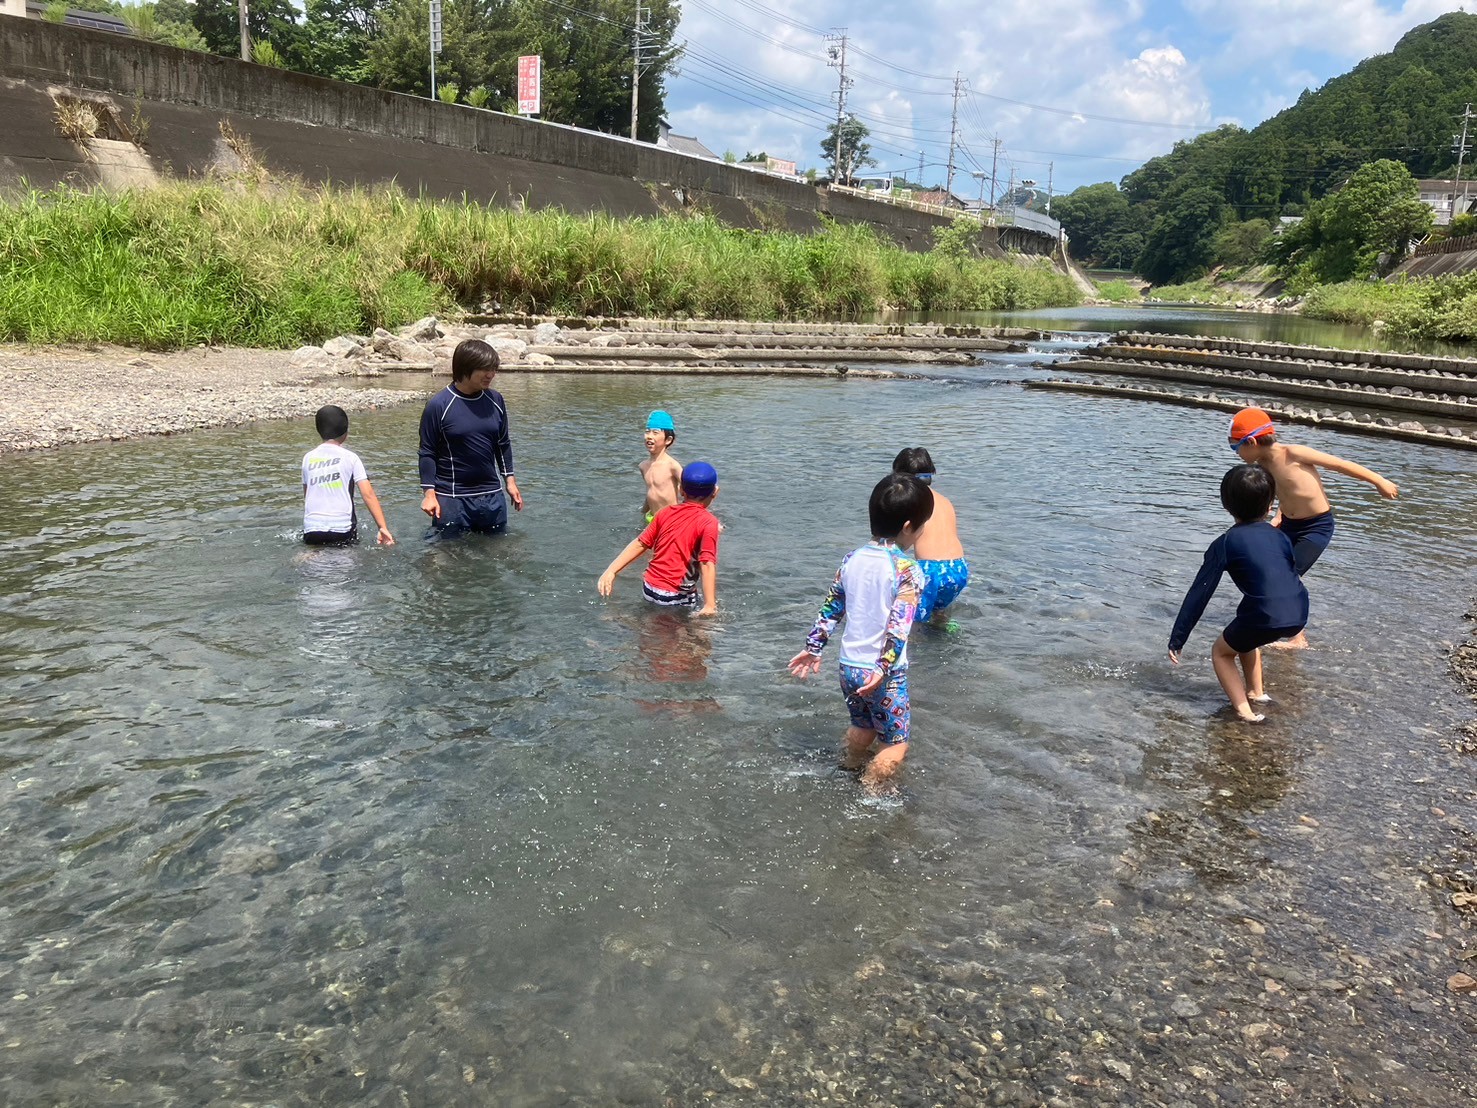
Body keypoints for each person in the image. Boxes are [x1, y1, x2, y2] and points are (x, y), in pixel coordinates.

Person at [788, 473, 933, 789]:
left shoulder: (851, 559)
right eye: (922, 525)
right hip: (882, 673)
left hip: (849, 667)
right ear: (908, 526)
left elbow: (831, 608)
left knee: (862, 726)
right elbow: (899, 625)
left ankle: (848, 768)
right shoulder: (907, 570)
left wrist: (814, 647)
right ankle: (869, 796)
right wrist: (883, 669)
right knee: (895, 743)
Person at [1228, 406, 1397, 647]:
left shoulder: (1293, 453)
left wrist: (1378, 481)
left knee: (1288, 575)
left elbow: (1340, 464)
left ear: (1252, 441)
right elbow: (1284, 491)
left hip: (1316, 527)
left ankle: (1297, 637)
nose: (1236, 454)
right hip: (1288, 524)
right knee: (1270, 571)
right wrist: (1277, 516)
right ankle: (1274, 621)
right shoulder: (1262, 467)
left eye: (1236, 448)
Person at [1168, 464, 1309, 723]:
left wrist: (1178, 638)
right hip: (1299, 612)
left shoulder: (1224, 543)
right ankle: (1257, 693)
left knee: (1221, 652)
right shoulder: (1281, 538)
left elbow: (1199, 594)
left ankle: (1245, 711)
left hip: (1265, 615)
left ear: (1226, 505)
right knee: (1245, 634)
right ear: (1270, 506)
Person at [418, 339, 523, 536]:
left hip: (492, 497)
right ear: (466, 368)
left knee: (496, 557)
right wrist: (429, 494)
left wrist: (510, 481)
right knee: (450, 559)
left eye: (493, 369)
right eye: (485, 369)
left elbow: (503, 444)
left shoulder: (496, 400)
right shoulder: (439, 405)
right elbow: (427, 452)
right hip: (452, 499)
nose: (491, 375)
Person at [597, 461, 720, 615]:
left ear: (681, 490)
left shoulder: (665, 512)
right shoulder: (709, 522)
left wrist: (611, 571)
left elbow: (640, 543)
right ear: (715, 492)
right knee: (690, 634)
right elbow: (706, 563)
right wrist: (710, 605)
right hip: (676, 595)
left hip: (649, 587)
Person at [891, 447, 969, 624]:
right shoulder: (945, 500)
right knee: (938, 613)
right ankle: (947, 629)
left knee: (913, 622)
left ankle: (914, 648)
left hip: (930, 570)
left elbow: (901, 541)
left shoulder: (911, 502)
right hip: (959, 568)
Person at [301, 404, 394, 546]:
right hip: (341, 527)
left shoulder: (308, 458)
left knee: (317, 552)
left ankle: (312, 554)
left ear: (318, 430)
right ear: (346, 432)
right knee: (345, 561)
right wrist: (382, 527)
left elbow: (307, 495)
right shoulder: (351, 458)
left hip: (312, 527)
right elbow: (368, 493)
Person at [640, 410, 684, 523]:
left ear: (668, 440)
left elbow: (693, 493)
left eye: (655, 433)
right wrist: (643, 512)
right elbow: (651, 491)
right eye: (647, 432)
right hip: (652, 519)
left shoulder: (672, 466)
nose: (649, 436)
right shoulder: (643, 466)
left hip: (670, 520)